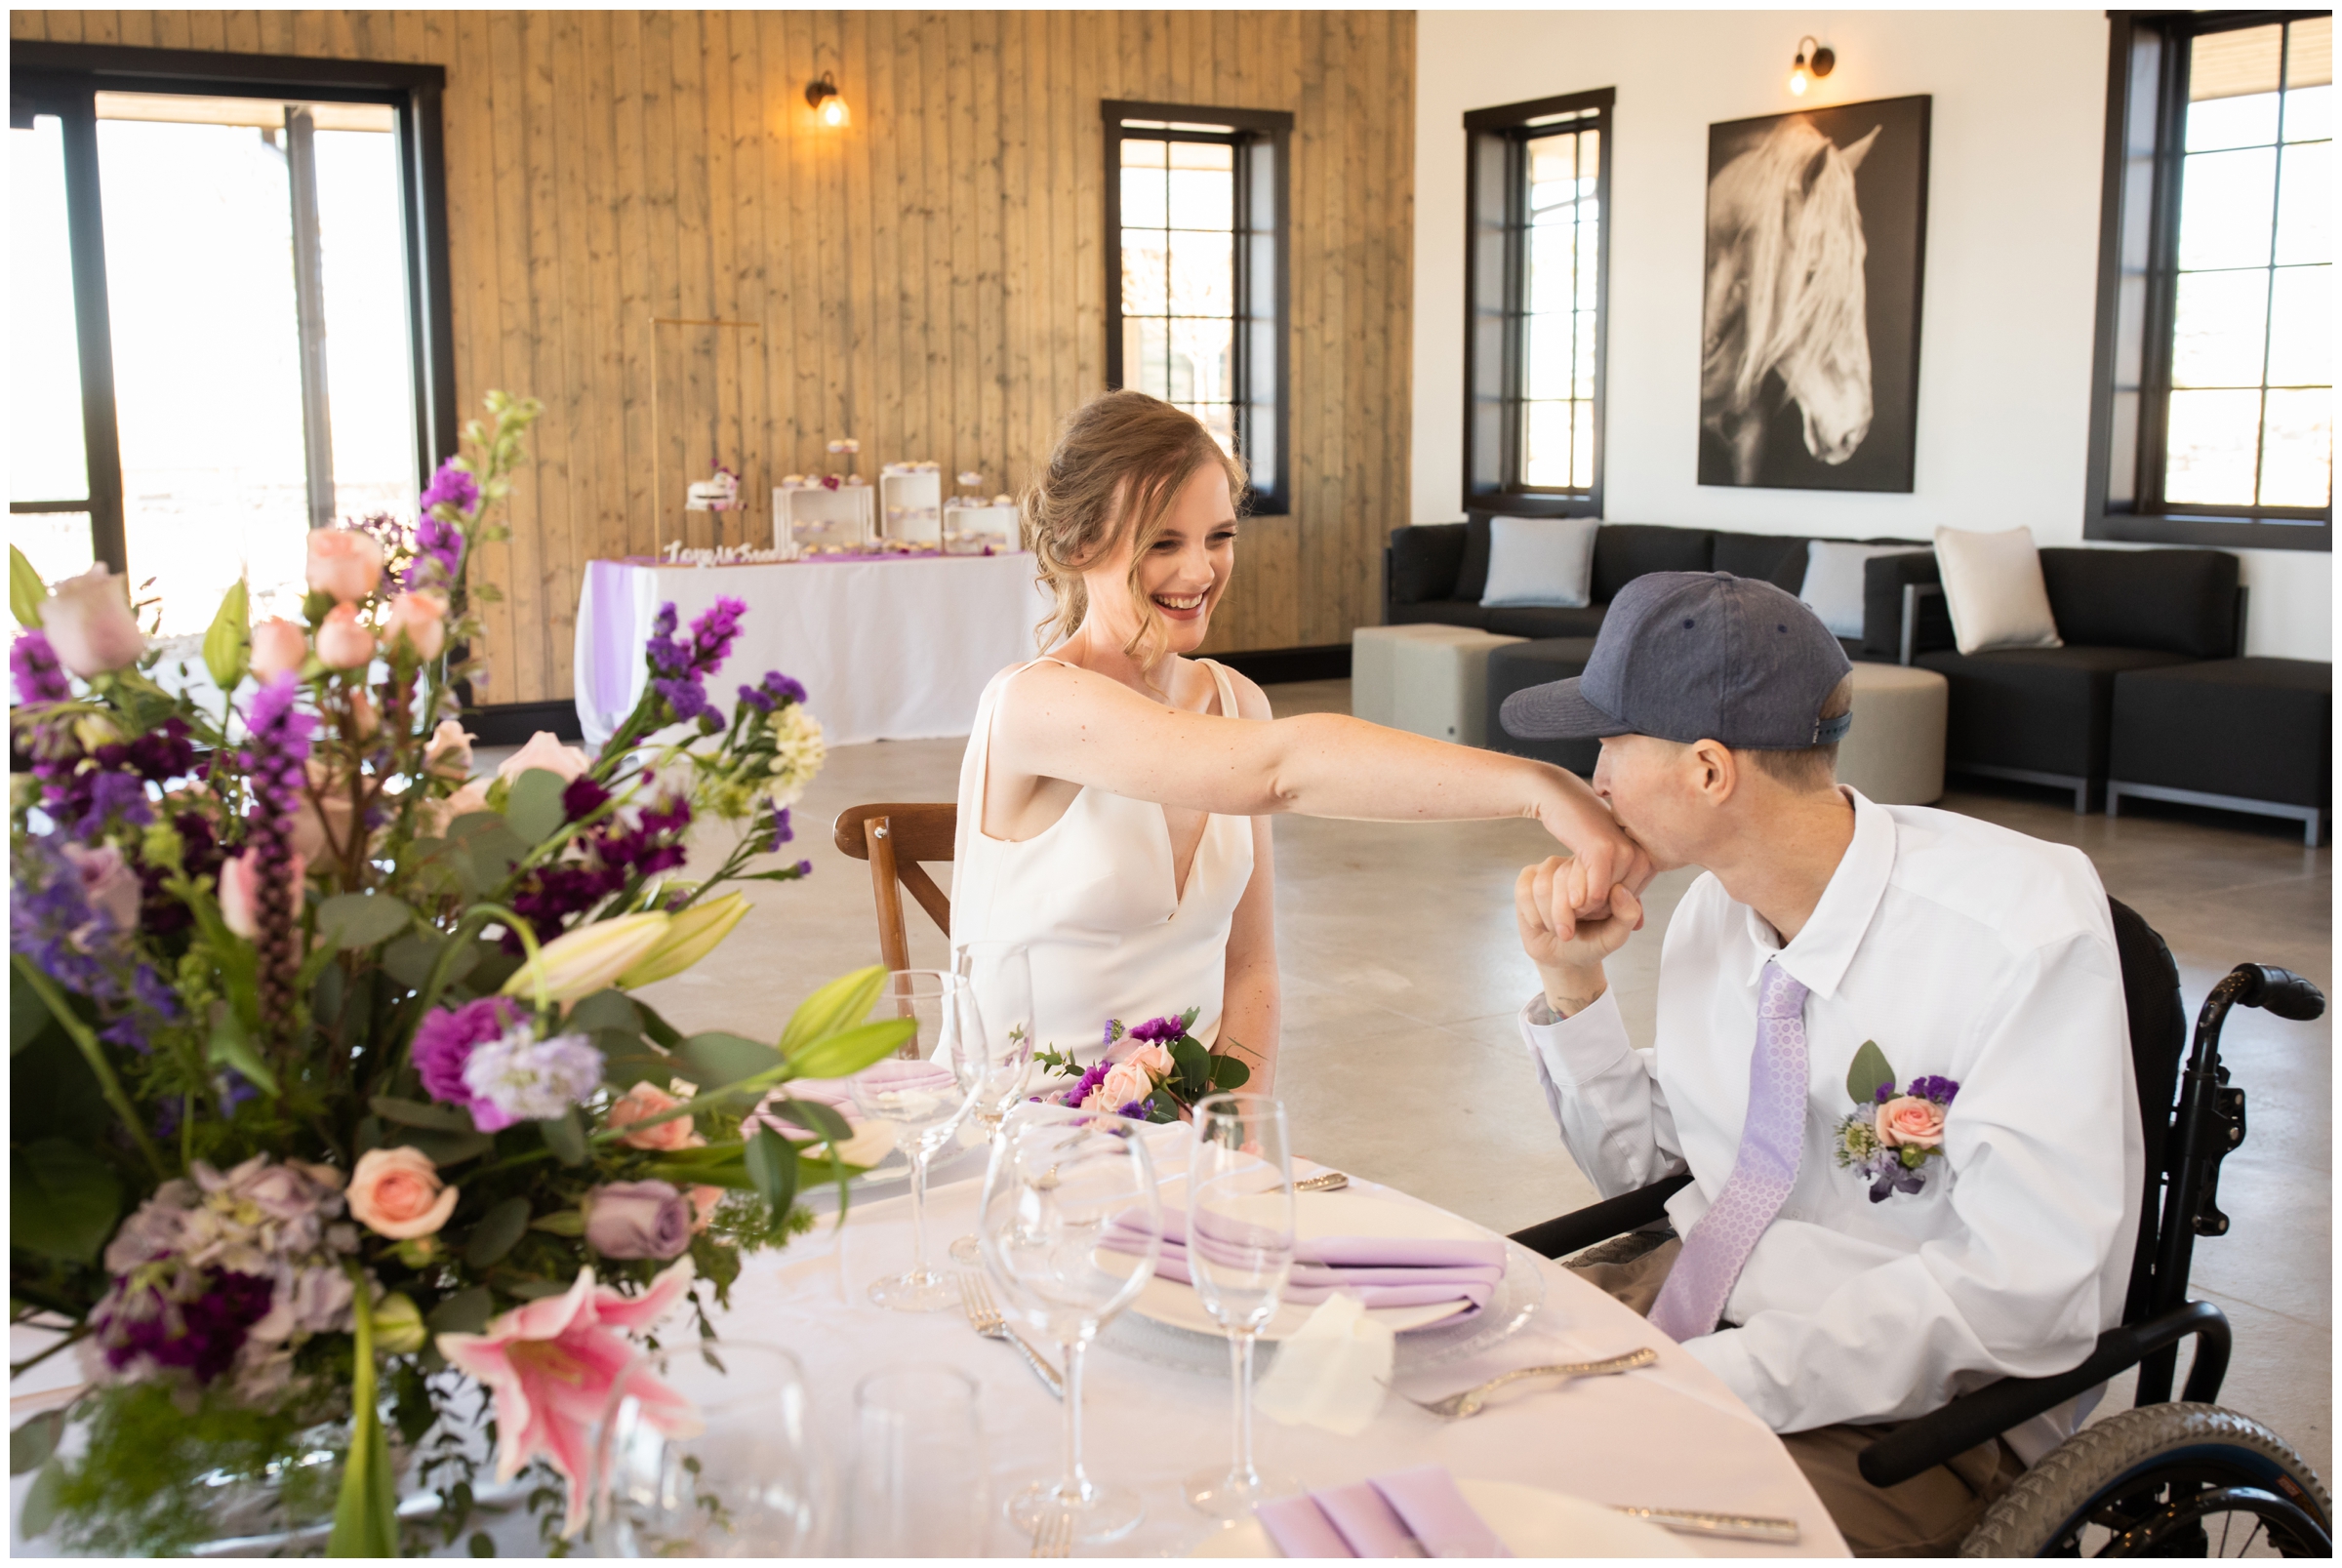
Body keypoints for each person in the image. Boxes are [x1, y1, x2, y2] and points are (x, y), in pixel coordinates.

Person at [1502, 571, 2142, 1556]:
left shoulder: (2019, 931)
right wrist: (1574, 988)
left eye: (1610, 745)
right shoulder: (1718, 907)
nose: (1594, 779)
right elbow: (1656, 1170)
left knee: (1592, 1535)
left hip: (1917, 1406)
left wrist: (1723, 1375)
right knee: (1435, 1421)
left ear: (1709, 771)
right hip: (1699, 1303)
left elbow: (2025, 1290)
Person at [951, 390, 1645, 1092]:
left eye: (1218, 537)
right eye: (1164, 542)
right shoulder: (1034, 702)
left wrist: (1240, 1132)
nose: (1200, 572)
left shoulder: (1237, 703)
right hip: (1022, 1139)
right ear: (1078, 544)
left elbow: (1251, 970)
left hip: (1177, 1142)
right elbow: (1282, 770)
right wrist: (1542, 787)